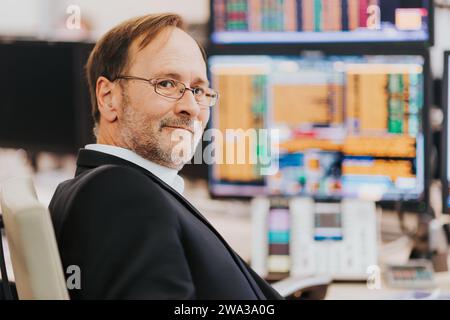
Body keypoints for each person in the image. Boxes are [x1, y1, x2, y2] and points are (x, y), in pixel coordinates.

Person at [49, 13, 282, 300]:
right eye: (167, 84)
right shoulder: (120, 193)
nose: (191, 107)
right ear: (109, 97)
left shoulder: (111, 188)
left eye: (198, 89)